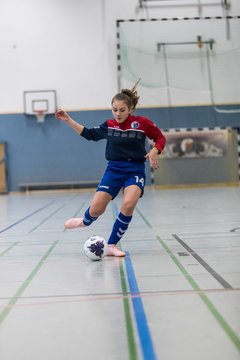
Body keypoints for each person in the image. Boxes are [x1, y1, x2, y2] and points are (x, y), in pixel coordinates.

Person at [55, 82, 166, 257]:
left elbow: (160, 138)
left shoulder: (142, 123)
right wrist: (68, 120)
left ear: (130, 110)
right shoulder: (109, 125)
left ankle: (112, 244)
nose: (118, 113)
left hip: (135, 169)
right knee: (97, 209)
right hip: (114, 170)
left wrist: (154, 150)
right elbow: (90, 134)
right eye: (114, 109)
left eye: (122, 110)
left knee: (129, 204)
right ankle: (85, 221)